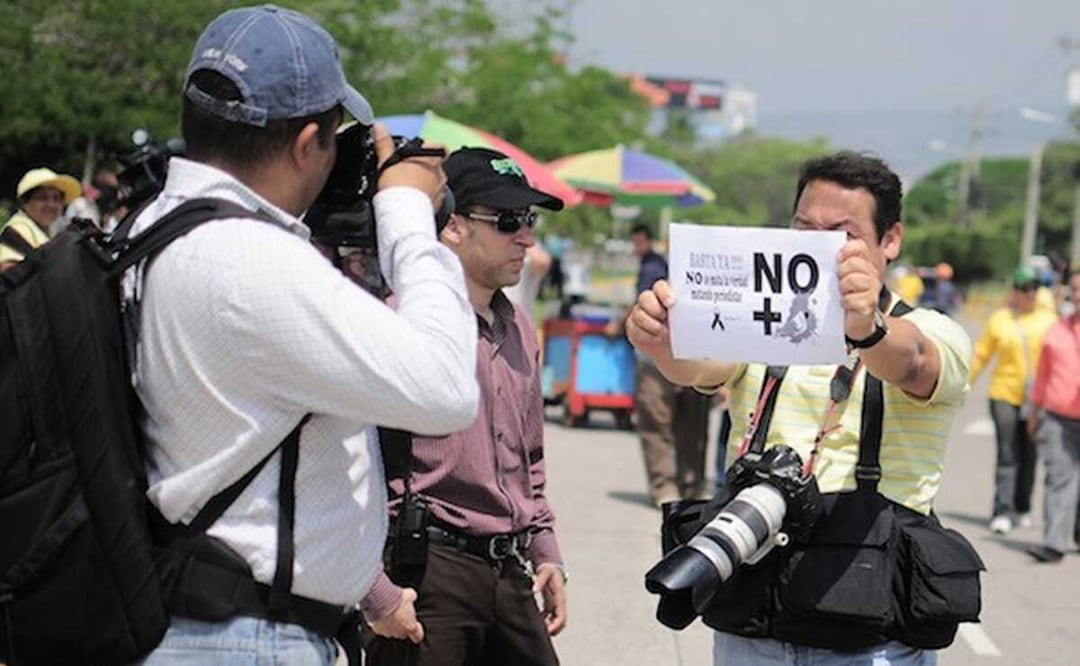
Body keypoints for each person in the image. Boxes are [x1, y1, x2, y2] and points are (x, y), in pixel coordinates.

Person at [123, 6, 479, 664]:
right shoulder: (250, 260)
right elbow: (447, 388)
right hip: (249, 637)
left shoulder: (154, 226)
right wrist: (405, 211)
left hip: (199, 615)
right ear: (305, 140)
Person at [626, 151, 972, 666]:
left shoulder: (933, 329)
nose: (819, 245)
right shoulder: (761, 319)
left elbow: (915, 363)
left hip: (868, 635)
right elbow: (701, 367)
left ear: (890, 241)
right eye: (804, 227)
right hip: (753, 625)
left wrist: (866, 327)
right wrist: (660, 342)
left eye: (843, 233)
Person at [362, 147, 567, 666]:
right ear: (451, 227)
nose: (526, 236)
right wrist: (377, 590)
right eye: (506, 220)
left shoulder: (518, 326)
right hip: (429, 568)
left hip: (509, 566)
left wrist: (546, 551)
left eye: (529, 219)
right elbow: (352, 467)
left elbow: (530, 458)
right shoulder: (397, 320)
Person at [969, 266, 1058, 534]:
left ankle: (1022, 505)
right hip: (1004, 393)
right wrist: (962, 385)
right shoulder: (1000, 319)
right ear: (1014, 292)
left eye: (1034, 289)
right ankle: (1002, 510)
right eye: (1024, 289)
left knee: (1030, 454)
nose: (1029, 294)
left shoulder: (1049, 320)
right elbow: (981, 355)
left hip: (1036, 398)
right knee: (1008, 453)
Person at [628, 223, 711, 507]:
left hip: (692, 359)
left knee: (674, 425)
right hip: (667, 359)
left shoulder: (657, 267)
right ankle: (683, 487)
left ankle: (675, 487)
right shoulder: (656, 268)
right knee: (676, 425)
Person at [1026, 269, 1080, 562]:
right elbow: (1043, 375)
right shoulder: (1056, 330)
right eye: (1075, 289)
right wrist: (1034, 412)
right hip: (1058, 417)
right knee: (1059, 477)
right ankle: (1054, 543)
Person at [0, 167, 82, 269]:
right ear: (24, 203)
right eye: (42, 197)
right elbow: (8, 271)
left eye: (56, 198)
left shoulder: (47, 231)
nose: (51, 204)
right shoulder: (19, 229)